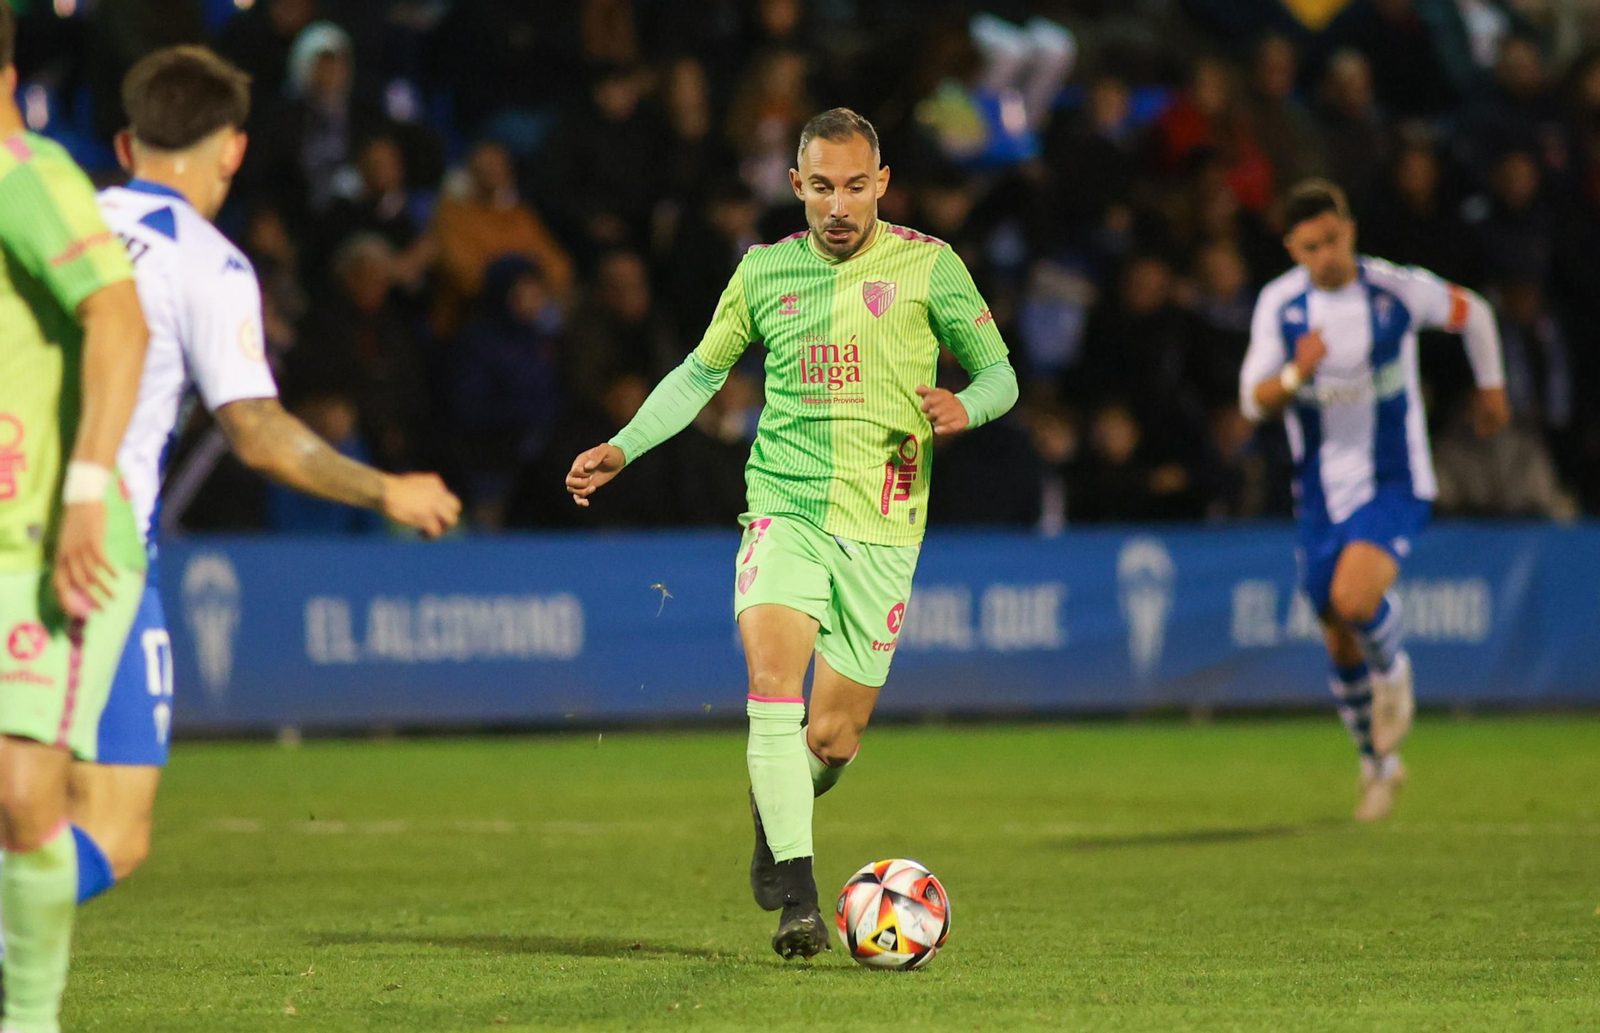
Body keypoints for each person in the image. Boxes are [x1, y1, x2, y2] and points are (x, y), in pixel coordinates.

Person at [564, 109, 1017, 958]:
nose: (838, 206)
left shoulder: (930, 266)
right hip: (785, 508)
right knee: (773, 683)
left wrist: (967, 404)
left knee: (830, 739)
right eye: (820, 187)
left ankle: (779, 812)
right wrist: (624, 444)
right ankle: (800, 902)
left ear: (881, 183)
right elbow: (701, 370)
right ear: (795, 186)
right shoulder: (764, 273)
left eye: (854, 186)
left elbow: (1001, 373)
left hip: (884, 530)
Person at [68, 45, 460, 960]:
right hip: (100, 548)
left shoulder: (53, 222)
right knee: (113, 829)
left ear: (126, 141)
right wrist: (384, 486)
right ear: (233, 151)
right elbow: (258, 431)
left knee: (30, 800)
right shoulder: (204, 262)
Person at [1239, 180, 1508, 822]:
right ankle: (1377, 766)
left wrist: (1492, 385)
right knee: (1336, 634)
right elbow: (1254, 400)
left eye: (1334, 239)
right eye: (1311, 246)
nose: (1326, 254)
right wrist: (1299, 372)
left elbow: (1476, 314)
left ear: (1350, 229)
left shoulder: (1396, 290)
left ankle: (1396, 671)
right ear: (1292, 249)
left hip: (1396, 478)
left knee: (1354, 601)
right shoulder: (1281, 306)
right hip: (1321, 495)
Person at [0, 5, 152, 1030]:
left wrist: (88, 492)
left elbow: (120, 319)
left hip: (39, 540)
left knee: (22, 794)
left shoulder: (26, 176)